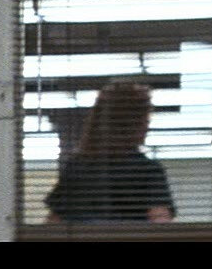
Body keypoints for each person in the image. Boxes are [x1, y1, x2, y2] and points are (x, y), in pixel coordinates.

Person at [45, 81, 175, 224]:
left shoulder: (77, 169)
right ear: (132, 124)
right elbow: (160, 223)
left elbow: (53, 225)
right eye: (145, 119)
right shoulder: (148, 171)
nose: (147, 126)